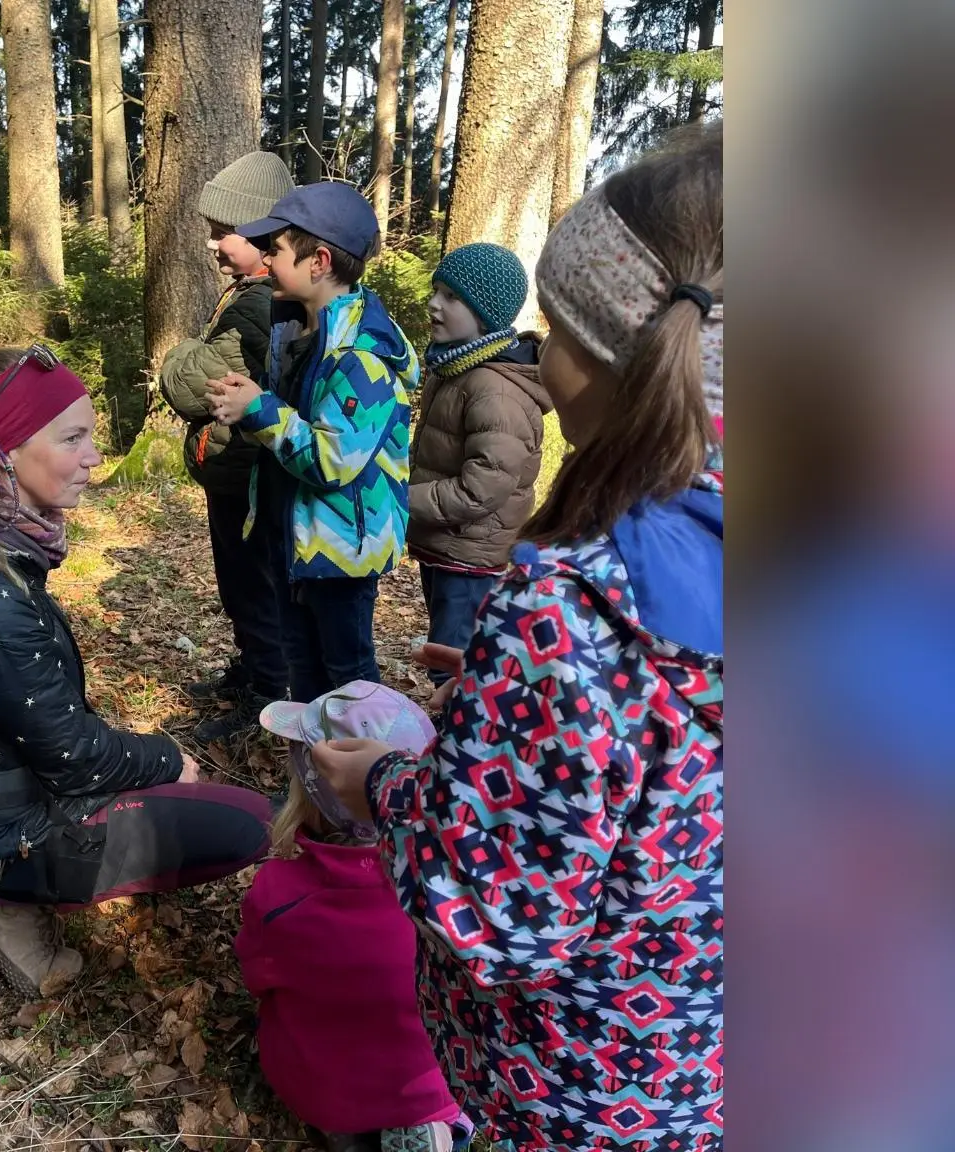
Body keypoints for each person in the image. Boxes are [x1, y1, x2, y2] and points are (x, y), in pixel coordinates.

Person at [311, 123, 724, 1151]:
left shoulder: (570, 612)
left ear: (597, 349)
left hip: (580, 1083)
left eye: (553, 321)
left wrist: (381, 783)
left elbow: (499, 911)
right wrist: (508, 712)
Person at [0, 345, 272, 998]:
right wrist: (165, 758)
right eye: (72, 439)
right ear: (0, 450)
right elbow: (76, 760)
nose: (94, 457)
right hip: (4, 829)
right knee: (249, 821)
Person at [206, 182, 420, 704]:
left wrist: (257, 408)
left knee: (346, 677)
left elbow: (332, 460)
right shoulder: (298, 327)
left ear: (319, 260)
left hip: (342, 549)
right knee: (301, 670)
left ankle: (358, 780)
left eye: (275, 249)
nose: (265, 258)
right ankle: (306, 785)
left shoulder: (365, 355)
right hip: (293, 535)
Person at [236, 681, 473, 1152]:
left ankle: (347, 1126)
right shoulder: (463, 899)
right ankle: (440, 1124)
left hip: (326, 1090)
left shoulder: (278, 893)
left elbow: (257, 977)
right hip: (431, 1080)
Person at [158, 151, 294, 741]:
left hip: (248, 475)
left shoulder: (261, 305)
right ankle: (252, 673)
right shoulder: (249, 292)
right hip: (232, 471)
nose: (213, 245)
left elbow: (189, 387)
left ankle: (266, 697)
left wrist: (180, 354)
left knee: (252, 583)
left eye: (223, 234)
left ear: (262, 235)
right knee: (239, 581)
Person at [409, 243, 550, 670]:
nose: (434, 304)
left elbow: (480, 489)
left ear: (485, 312)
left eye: (451, 297)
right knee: (445, 653)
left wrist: (398, 498)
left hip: (471, 556)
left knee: (455, 664)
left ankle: (458, 733)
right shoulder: (455, 368)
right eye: (436, 290)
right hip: (446, 544)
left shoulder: (495, 388)